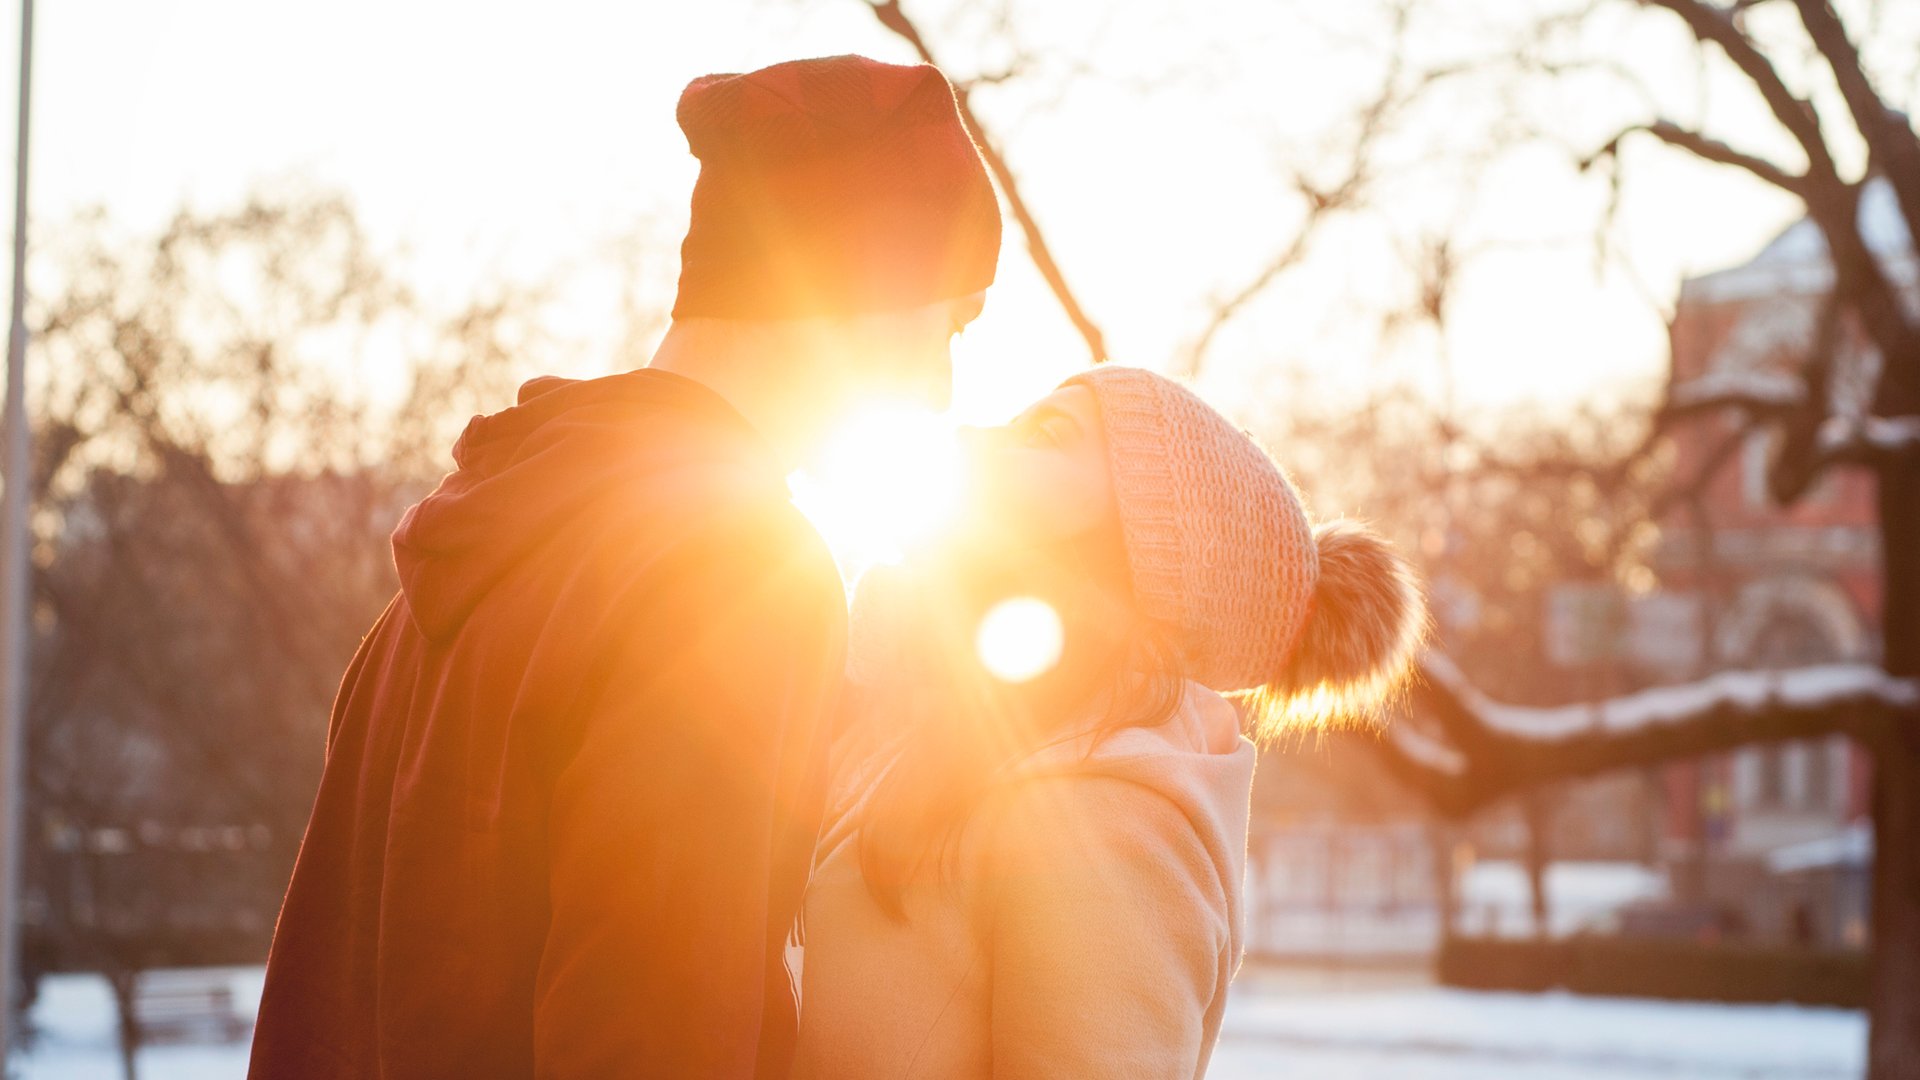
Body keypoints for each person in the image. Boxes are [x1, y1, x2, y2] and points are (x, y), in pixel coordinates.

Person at [248, 55, 1000, 1080]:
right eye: (950, 321)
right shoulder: (732, 571)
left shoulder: (445, 577)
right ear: (855, 287)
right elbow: (656, 1041)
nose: (945, 386)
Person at [791, 367, 1426, 1079]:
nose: (975, 432)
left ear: (1144, 549)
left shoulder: (1114, 819)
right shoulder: (919, 737)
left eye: (1050, 433)